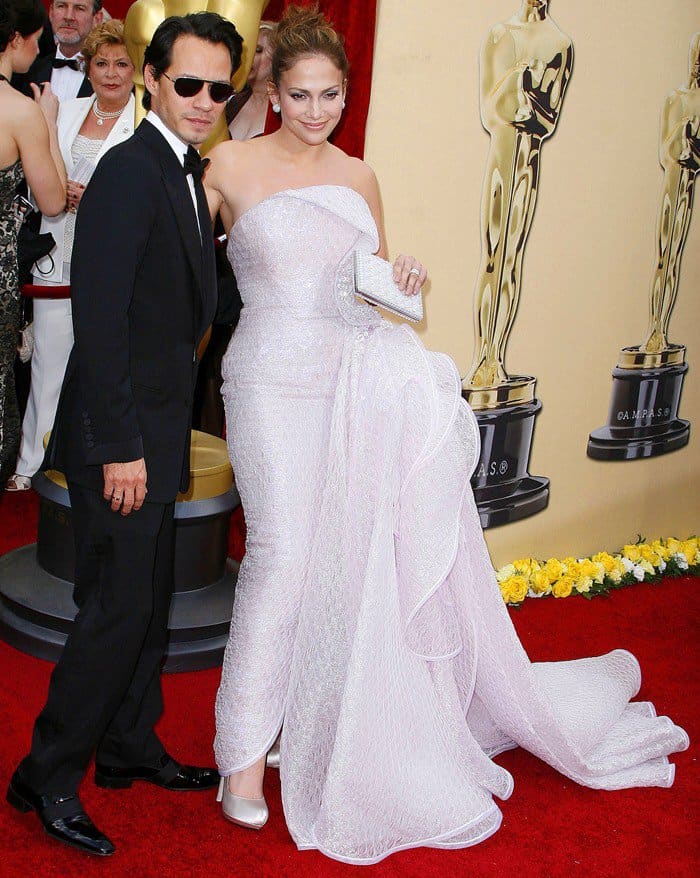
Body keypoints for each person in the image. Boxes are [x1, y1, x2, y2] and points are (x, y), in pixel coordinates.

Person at [206, 5, 690, 865]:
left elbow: (374, 294)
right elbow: (180, 270)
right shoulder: (229, 165)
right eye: (300, 94)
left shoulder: (359, 177)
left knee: (335, 561)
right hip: (269, 378)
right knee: (280, 555)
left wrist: (404, 280)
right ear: (272, 92)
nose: (316, 110)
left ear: (344, 95)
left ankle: (296, 723)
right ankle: (240, 761)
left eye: (330, 95)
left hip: (351, 381)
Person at [7, 11, 243, 857]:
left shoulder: (185, 173)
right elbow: (99, 321)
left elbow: (195, 303)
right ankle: (45, 776)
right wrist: (123, 449)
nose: (203, 101)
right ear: (151, 78)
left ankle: (128, 745)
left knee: (145, 602)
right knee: (115, 610)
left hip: (157, 423)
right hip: (124, 437)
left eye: (219, 88)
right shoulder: (128, 171)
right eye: (188, 84)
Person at [7, 18, 134, 492]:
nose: (111, 73)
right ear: (88, 64)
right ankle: (30, 461)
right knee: (47, 361)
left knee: (106, 364)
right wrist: (60, 191)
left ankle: (92, 461)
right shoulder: (62, 110)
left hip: (115, 262)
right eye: (101, 62)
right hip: (56, 250)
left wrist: (96, 195)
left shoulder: (143, 122)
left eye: (122, 63)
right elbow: (39, 177)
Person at [0, 0, 66, 492]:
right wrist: (47, 121)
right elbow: (54, 200)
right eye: (38, 37)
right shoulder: (21, 112)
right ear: (17, 39)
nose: (42, 47)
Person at [15, 0, 103, 101]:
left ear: (97, 19)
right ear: (51, 13)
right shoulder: (26, 71)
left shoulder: (108, 75)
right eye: (61, 6)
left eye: (79, 8)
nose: (69, 16)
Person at [226, 19, 273, 140]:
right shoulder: (232, 101)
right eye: (247, 50)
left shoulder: (285, 110)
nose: (249, 57)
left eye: (258, 50)